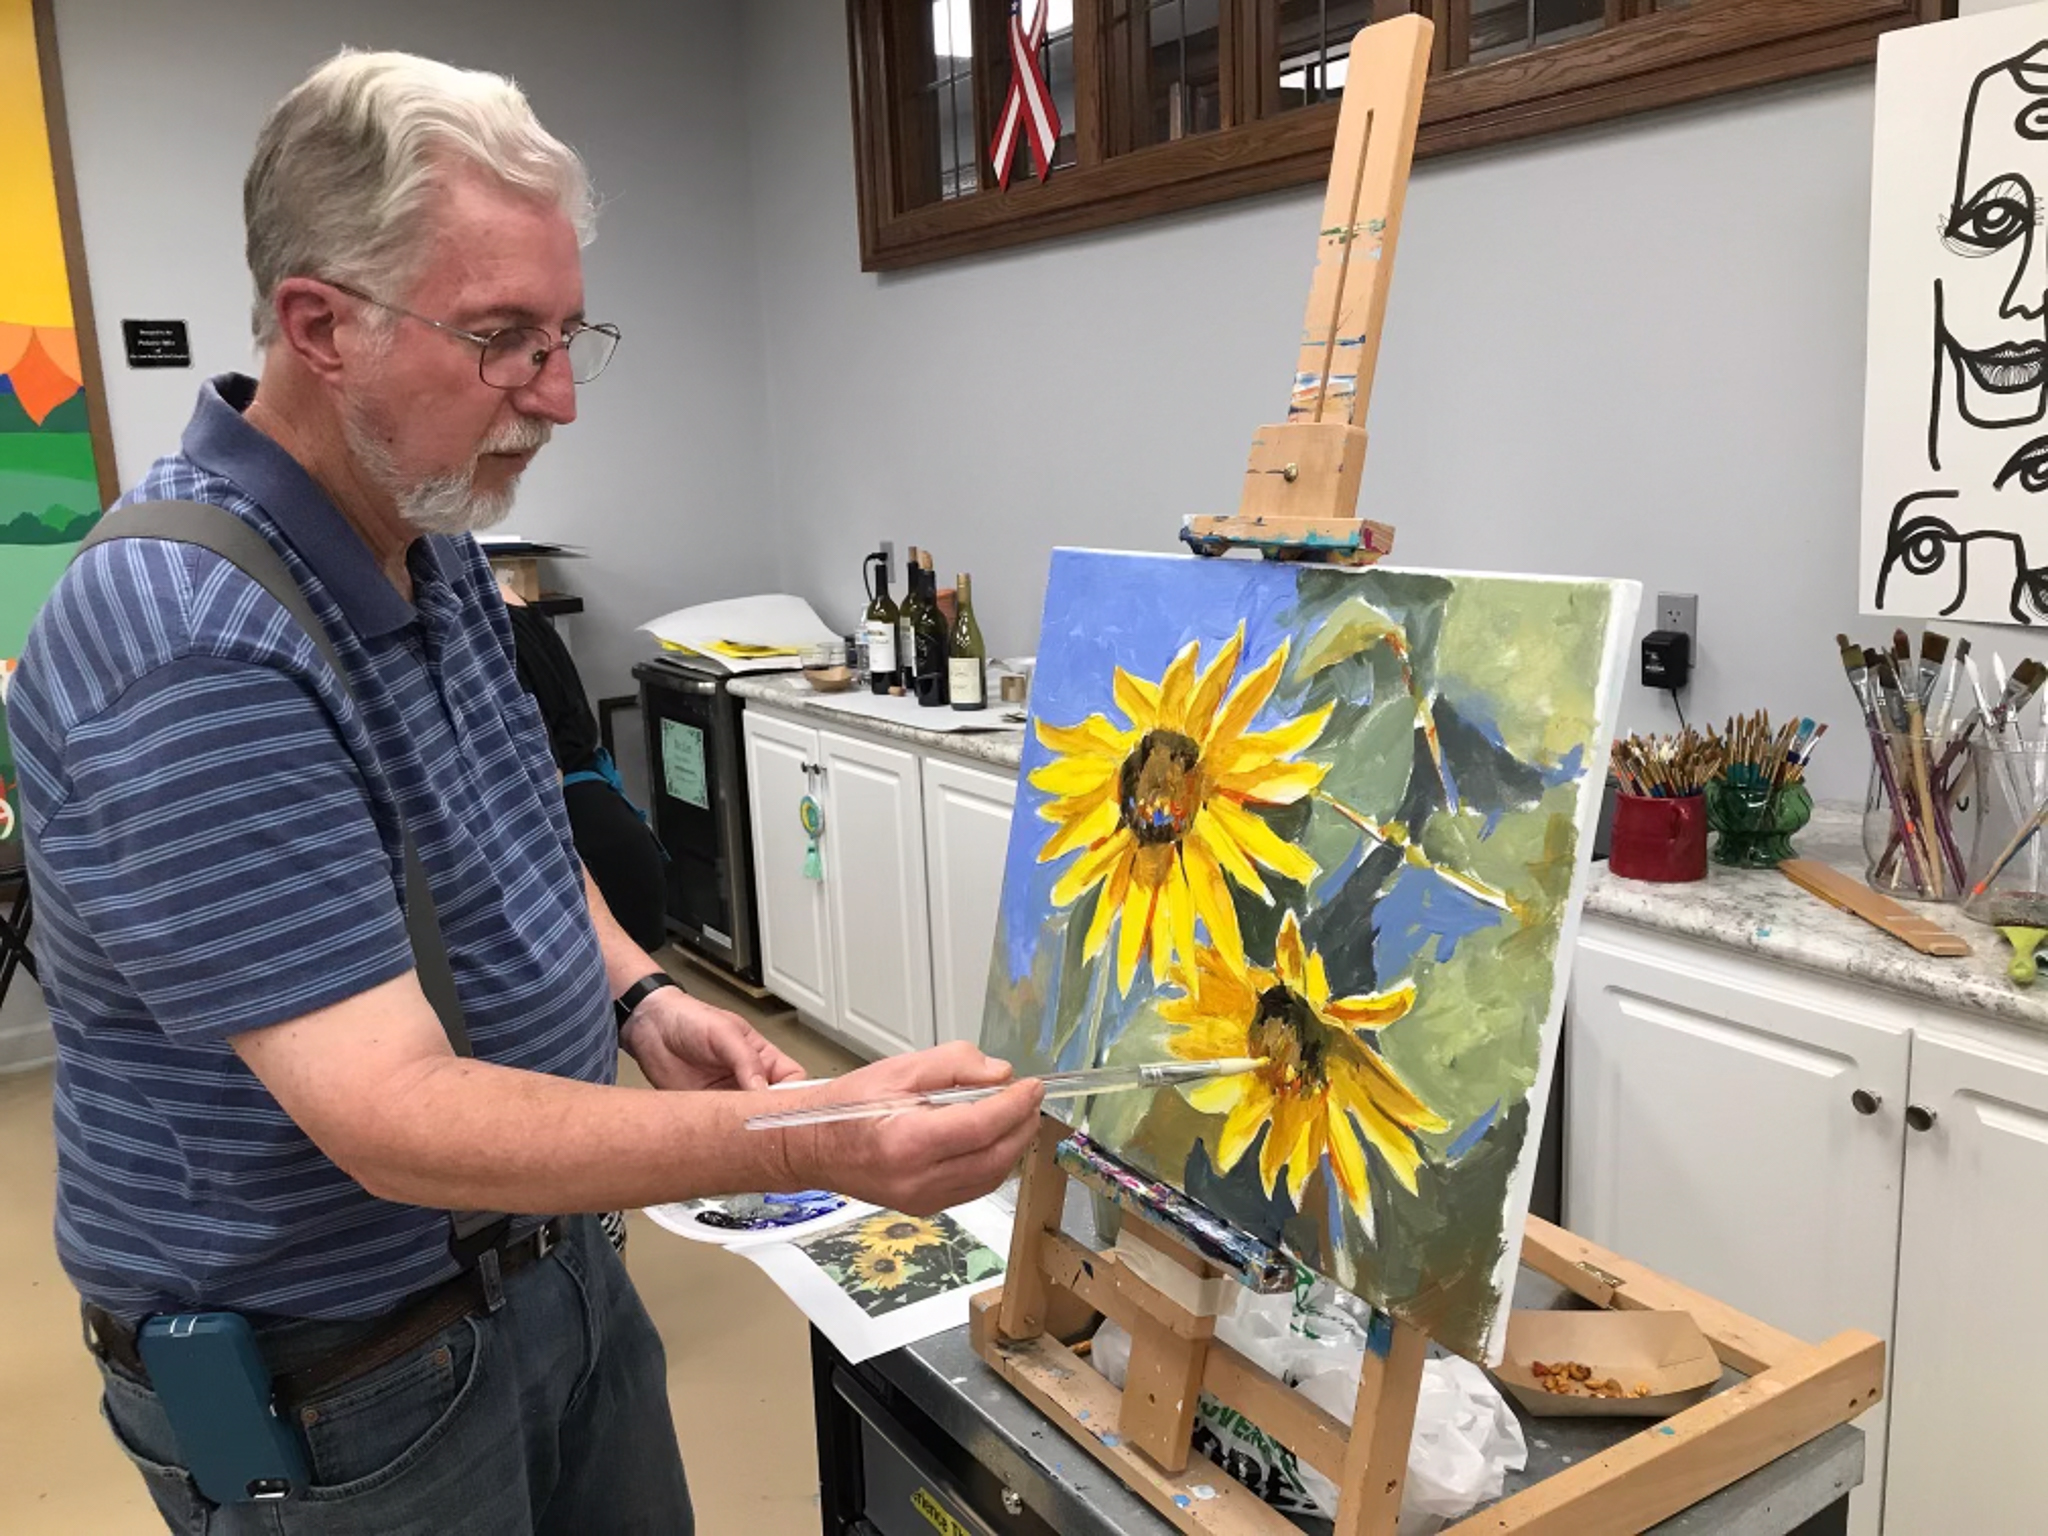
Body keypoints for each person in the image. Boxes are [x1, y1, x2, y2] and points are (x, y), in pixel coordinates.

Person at [10, 49, 1042, 1535]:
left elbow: (506, 832)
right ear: (321, 327)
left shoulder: (426, 542)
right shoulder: (183, 634)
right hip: (343, 1387)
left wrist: (635, 998)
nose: (554, 395)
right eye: (502, 339)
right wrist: (816, 1141)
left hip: (546, 1274)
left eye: (566, 334)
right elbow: (391, 1115)